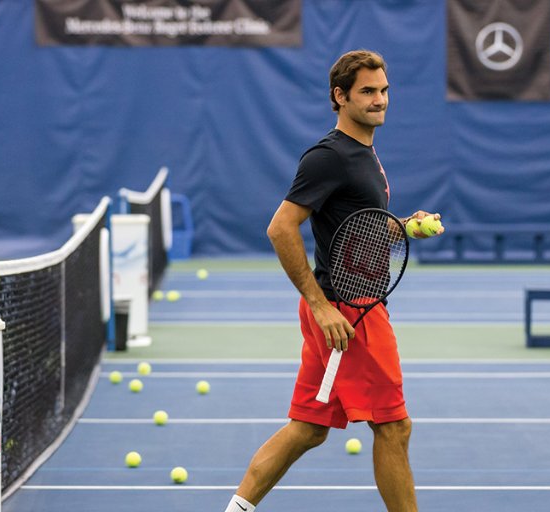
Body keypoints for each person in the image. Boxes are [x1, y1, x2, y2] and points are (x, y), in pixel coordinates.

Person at [223, 50, 442, 512]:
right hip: (349, 313)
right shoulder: (329, 157)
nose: (379, 100)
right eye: (367, 91)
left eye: (383, 91)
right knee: (394, 427)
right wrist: (322, 306)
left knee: (308, 429)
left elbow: (358, 222)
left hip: (343, 308)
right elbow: (281, 228)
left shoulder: (363, 154)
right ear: (339, 97)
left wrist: (404, 224)